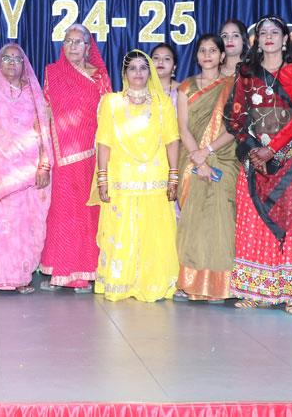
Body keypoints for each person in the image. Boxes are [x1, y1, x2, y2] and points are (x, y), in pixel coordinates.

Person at [225, 14, 292, 313]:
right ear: (257, 40)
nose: (269, 37)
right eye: (263, 33)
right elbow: (235, 117)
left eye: (275, 32)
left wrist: (272, 149)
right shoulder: (247, 71)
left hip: (291, 158)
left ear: (285, 38)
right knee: (254, 221)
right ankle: (256, 291)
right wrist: (254, 150)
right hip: (255, 160)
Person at [92, 50, 180, 301]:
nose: (138, 73)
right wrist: (102, 178)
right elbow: (104, 142)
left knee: (154, 232)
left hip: (155, 177)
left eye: (143, 67)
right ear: (124, 73)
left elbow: (172, 140)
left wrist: (173, 176)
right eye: (133, 68)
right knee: (121, 231)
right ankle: (121, 283)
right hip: (121, 177)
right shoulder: (111, 102)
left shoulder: (162, 103)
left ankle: (153, 284)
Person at [40, 24, 112, 292]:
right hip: (60, 156)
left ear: (88, 46)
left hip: (90, 155)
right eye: (68, 41)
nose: (72, 46)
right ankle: (60, 270)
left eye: (78, 42)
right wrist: (45, 157)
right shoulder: (52, 72)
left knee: (87, 214)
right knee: (62, 214)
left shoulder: (99, 76)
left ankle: (86, 270)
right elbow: (46, 112)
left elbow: (108, 115)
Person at [0, 44, 53, 294]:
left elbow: (44, 132)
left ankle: (21, 277)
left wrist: (44, 165)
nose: (12, 63)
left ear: (24, 65)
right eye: (6, 58)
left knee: (25, 225)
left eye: (17, 59)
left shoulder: (33, 93)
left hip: (28, 171)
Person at [175, 34, 238, 302]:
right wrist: (198, 160)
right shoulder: (186, 87)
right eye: (203, 50)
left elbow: (235, 126)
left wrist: (208, 151)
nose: (207, 55)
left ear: (222, 55)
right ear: (197, 55)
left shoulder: (233, 85)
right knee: (193, 220)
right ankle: (190, 283)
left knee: (220, 220)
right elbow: (182, 128)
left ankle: (219, 287)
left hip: (224, 158)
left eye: (213, 50)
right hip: (192, 160)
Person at [151, 43, 181, 108]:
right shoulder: (141, 89)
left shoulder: (182, 90)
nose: (160, 61)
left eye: (167, 58)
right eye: (156, 58)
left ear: (174, 67)